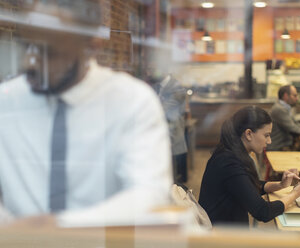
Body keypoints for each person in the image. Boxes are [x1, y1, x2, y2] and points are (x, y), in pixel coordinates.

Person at [0, 0, 172, 225]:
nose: (30, 63)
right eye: (27, 46)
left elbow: (150, 196)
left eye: (49, 52)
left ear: (92, 46)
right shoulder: (5, 102)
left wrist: (60, 226)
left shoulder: (131, 102)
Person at [198, 106, 300, 226]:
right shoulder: (229, 163)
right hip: (221, 238)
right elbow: (263, 211)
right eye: (266, 135)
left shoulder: (230, 154)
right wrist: (296, 193)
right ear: (248, 134)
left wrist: (280, 185)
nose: (269, 141)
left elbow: (246, 186)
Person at [145, 62, 188, 183]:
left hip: (172, 140)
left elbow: (161, 111)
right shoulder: (156, 86)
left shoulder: (176, 88)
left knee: (172, 182)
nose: (149, 73)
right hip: (159, 140)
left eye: (152, 69)